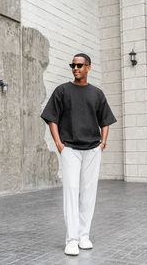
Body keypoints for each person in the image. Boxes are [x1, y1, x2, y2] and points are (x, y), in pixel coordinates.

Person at [41, 53, 117, 256]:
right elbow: (51, 118)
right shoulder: (62, 91)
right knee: (71, 192)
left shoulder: (97, 93)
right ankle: (71, 239)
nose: (75, 68)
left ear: (88, 68)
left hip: (93, 149)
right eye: (73, 65)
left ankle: (84, 236)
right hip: (70, 150)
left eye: (80, 65)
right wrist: (59, 144)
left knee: (88, 193)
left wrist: (103, 143)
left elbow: (105, 120)